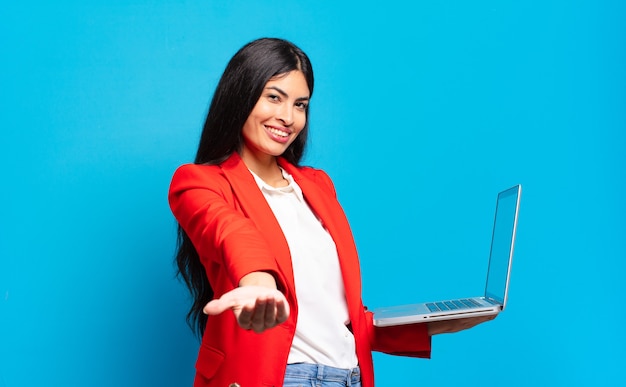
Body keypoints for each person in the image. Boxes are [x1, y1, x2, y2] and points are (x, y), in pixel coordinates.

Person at [169, 37, 494, 387]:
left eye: (300, 104)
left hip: (349, 376)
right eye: (274, 97)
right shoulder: (199, 183)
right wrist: (259, 282)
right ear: (241, 96)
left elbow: (336, 319)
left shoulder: (317, 186)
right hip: (281, 378)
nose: (288, 117)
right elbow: (230, 231)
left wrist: (436, 322)